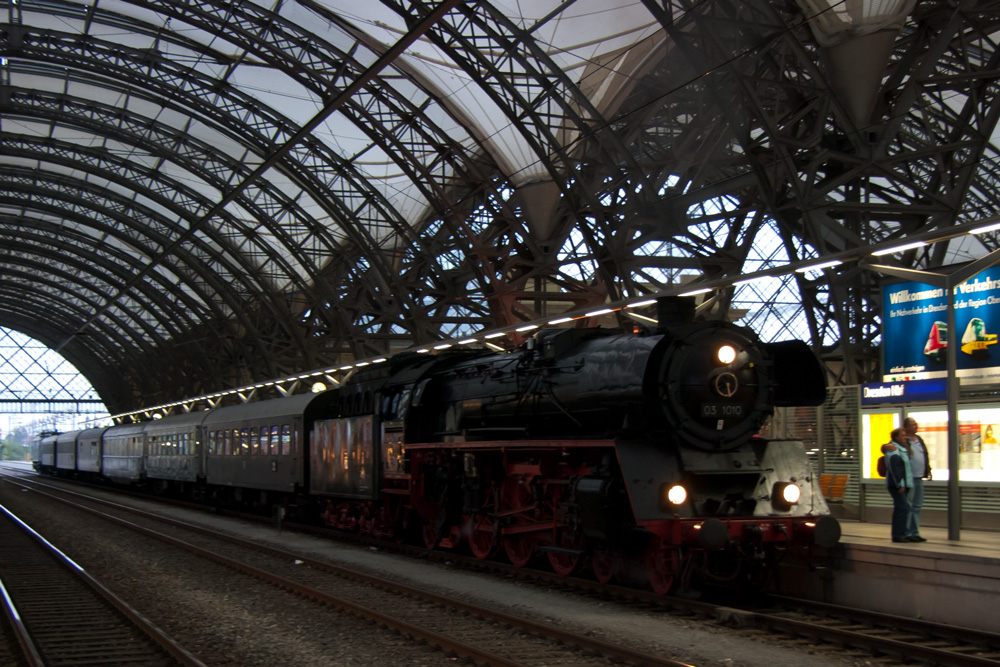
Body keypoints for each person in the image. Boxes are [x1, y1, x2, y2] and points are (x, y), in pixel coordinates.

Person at [883, 427, 914, 543]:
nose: (905, 437)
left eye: (905, 435)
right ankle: (898, 535)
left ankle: (902, 533)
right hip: (897, 484)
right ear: (896, 437)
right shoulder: (894, 449)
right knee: (901, 509)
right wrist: (900, 484)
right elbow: (895, 469)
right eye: (902, 435)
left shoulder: (903, 447)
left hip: (904, 483)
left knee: (903, 508)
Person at [903, 417, 930, 542]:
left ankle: (915, 532)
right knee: (909, 506)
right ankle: (907, 532)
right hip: (909, 478)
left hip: (919, 477)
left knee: (917, 506)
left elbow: (924, 454)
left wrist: (928, 469)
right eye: (913, 424)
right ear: (907, 427)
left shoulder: (919, 439)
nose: (916, 426)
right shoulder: (904, 441)